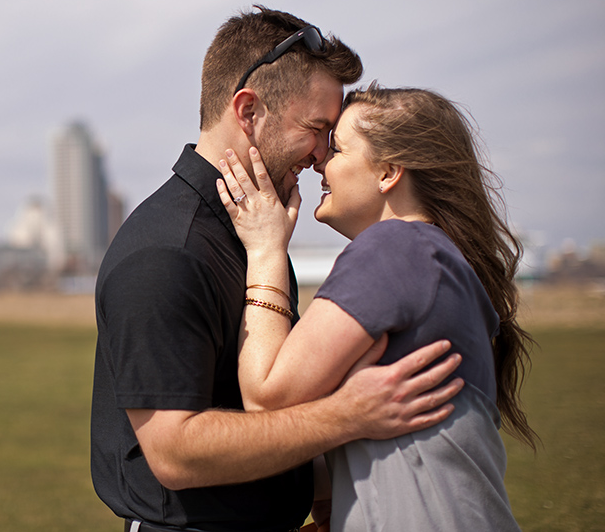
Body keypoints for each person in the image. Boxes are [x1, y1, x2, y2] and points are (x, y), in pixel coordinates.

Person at [91, 7, 466, 532]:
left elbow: (276, 410)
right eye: (317, 129)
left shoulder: (256, 233)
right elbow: (175, 453)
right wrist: (349, 415)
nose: (321, 156)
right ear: (248, 112)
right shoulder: (167, 253)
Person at [217, 84, 535, 530]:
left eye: (339, 150)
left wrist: (267, 250)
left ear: (388, 171)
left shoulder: (396, 246)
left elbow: (268, 399)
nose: (320, 163)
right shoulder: (436, 258)